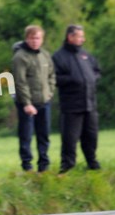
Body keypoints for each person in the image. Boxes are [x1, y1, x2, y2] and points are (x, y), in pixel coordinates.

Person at [52, 25, 101, 173]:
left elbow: (97, 71)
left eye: (82, 36)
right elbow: (53, 77)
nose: (82, 39)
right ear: (70, 37)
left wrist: (92, 78)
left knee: (91, 137)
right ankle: (67, 166)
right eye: (79, 36)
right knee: (70, 139)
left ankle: (92, 164)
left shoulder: (86, 55)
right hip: (71, 105)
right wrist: (72, 79)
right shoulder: (58, 57)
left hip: (90, 104)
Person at [11, 25, 55, 172]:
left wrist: (49, 93)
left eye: (37, 38)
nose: (35, 41)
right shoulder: (20, 57)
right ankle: (27, 166)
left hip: (44, 101)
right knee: (26, 136)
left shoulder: (45, 55)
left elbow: (51, 75)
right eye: (32, 38)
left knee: (44, 135)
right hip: (27, 104)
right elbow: (20, 82)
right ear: (27, 38)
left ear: (42, 39)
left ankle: (44, 165)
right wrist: (27, 103)